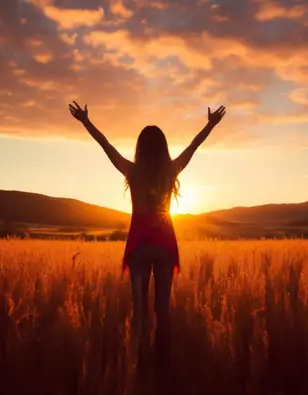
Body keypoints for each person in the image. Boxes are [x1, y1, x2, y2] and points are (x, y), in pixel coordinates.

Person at [68, 101, 226, 369]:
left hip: (139, 246)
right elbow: (193, 147)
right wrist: (209, 125)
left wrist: (85, 121)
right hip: (164, 245)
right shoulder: (170, 170)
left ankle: (141, 364)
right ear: (163, 147)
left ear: (140, 147)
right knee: (162, 311)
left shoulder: (132, 171)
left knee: (140, 312)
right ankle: (164, 364)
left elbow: (106, 146)